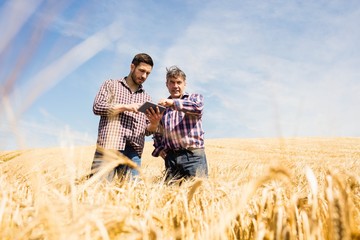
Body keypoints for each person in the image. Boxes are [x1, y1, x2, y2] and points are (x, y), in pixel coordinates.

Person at [90, 53, 159, 182]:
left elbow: (147, 130)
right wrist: (126, 107)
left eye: (148, 73)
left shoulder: (147, 98)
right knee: (98, 190)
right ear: (132, 67)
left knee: (132, 195)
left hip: (133, 152)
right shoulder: (111, 84)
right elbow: (97, 107)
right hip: (109, 146)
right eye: (141, 71)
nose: (144, 76)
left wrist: (154, 123)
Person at [147, 65, 208, 183]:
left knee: (198, 195)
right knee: (171, 197)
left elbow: (197, 108)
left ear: (185, 83)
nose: (175, 86)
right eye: (172, 82)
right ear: (167, 84)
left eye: (179, 82)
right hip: (171, 159)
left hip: (193, 157)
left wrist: (172, 103)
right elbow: (158, 133)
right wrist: (159, 150)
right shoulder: (162, 108)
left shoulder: (194, 98)